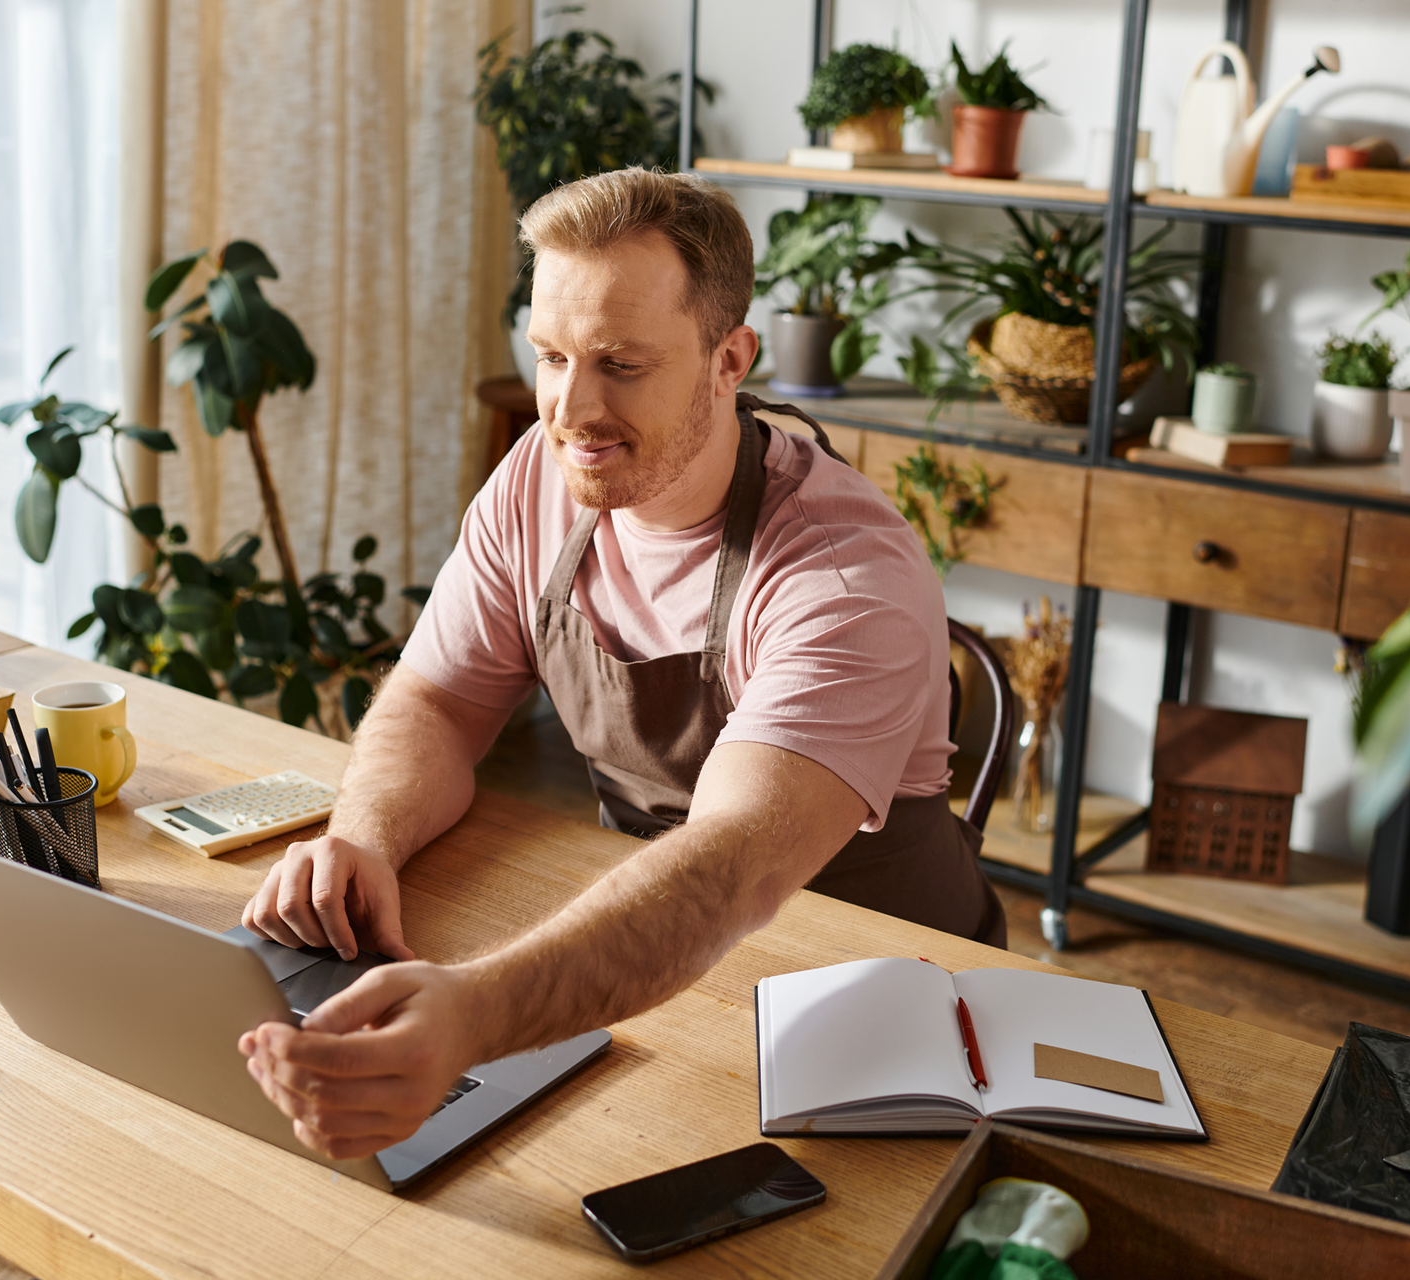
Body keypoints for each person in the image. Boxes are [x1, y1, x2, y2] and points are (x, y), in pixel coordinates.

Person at [237, 168, 1005, 1160]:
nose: (570, 409)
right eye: (551, 356)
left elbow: (731, 864)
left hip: (885, 1012)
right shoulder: (536, 483)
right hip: (647, 965)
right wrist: (364, 837)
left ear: (730, 358)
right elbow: (435, 698)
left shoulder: (844, 572)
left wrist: (474, 1015)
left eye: (623, 365)